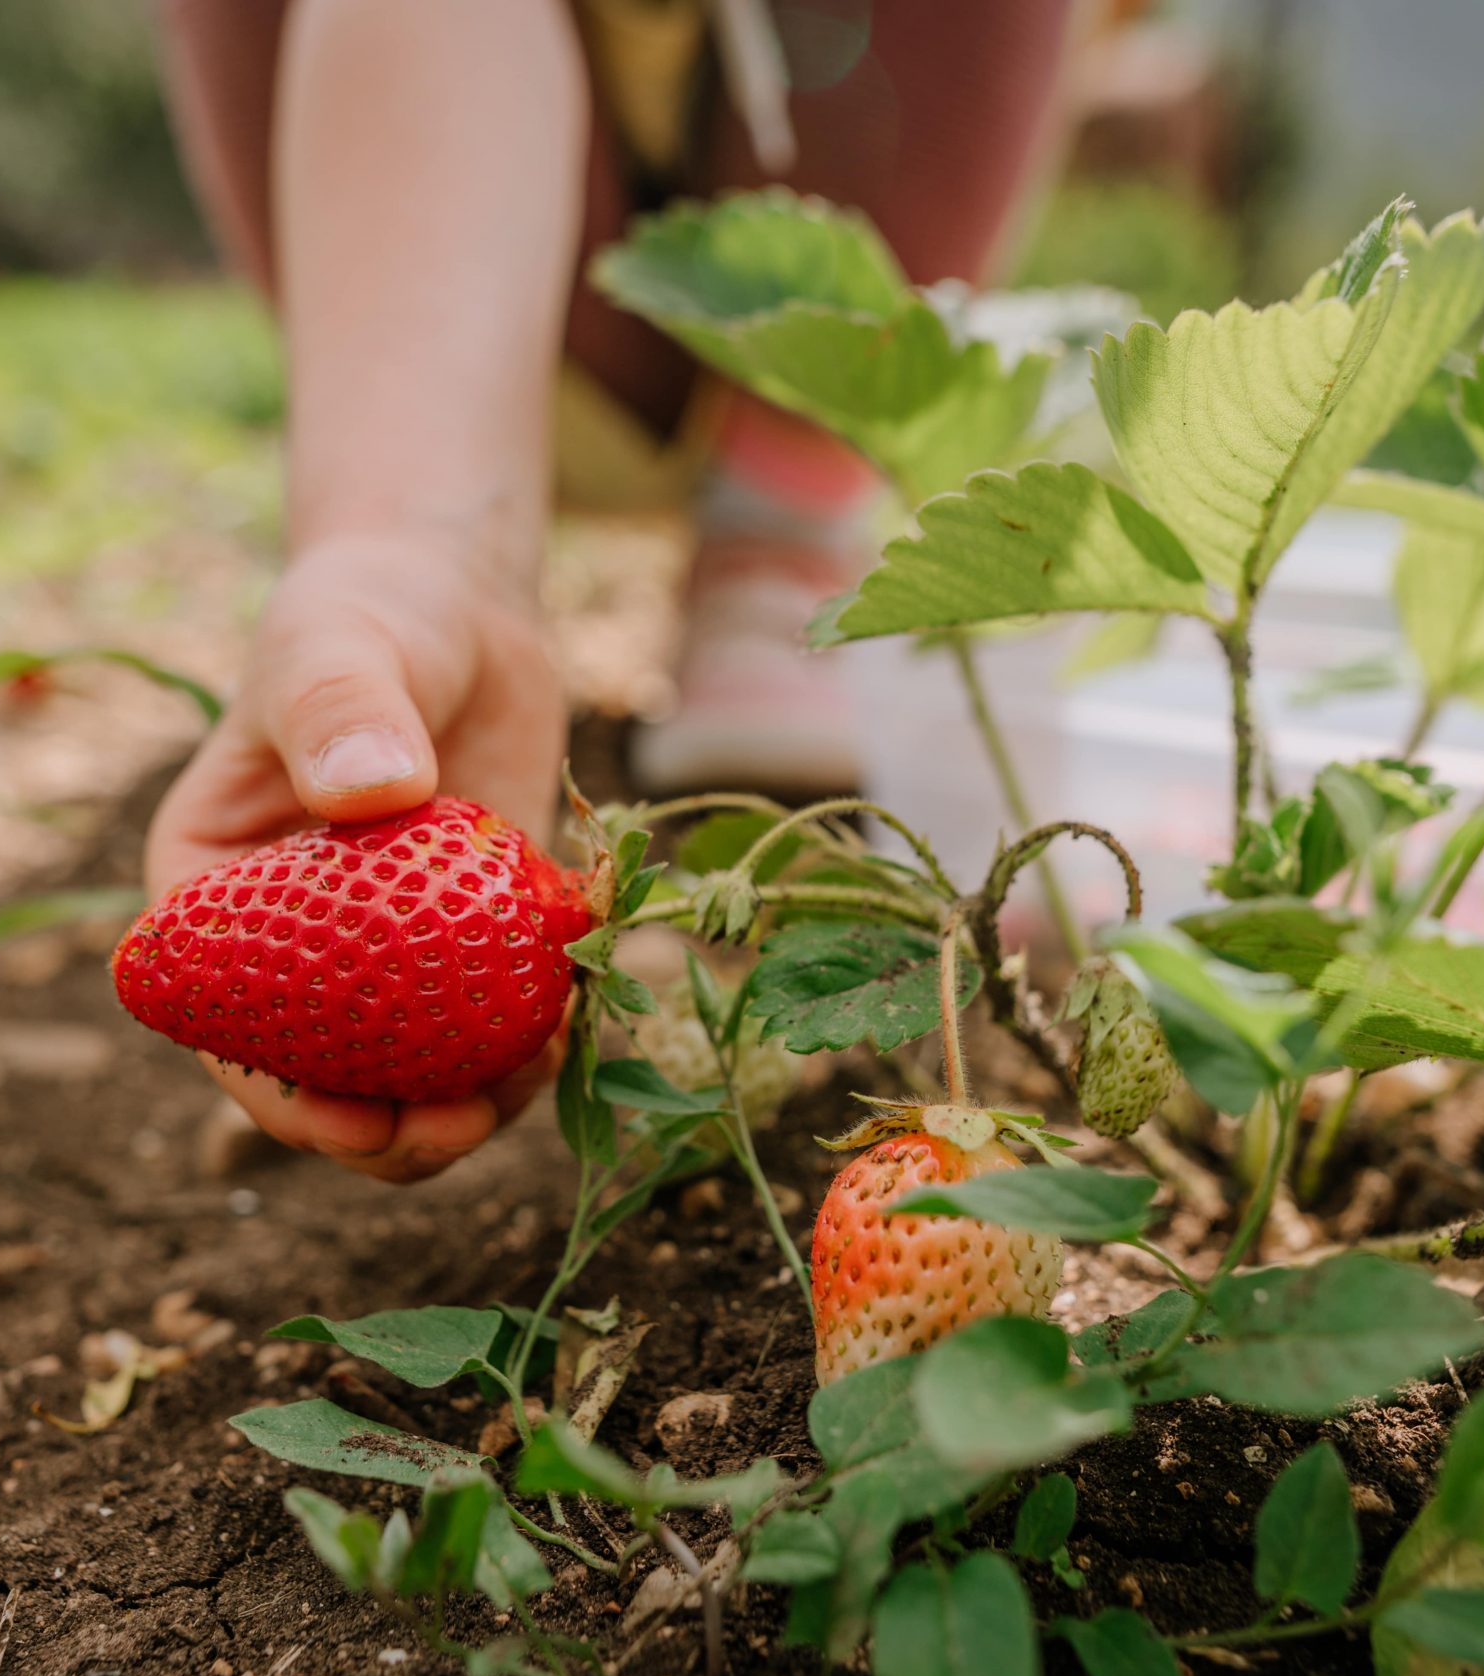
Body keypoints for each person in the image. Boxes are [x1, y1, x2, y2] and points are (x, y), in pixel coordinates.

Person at [144, 0, 1071, 1182]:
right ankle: (746, 532)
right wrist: (416, 545)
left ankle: (783, 517)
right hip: (464, 309)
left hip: (831, 251)